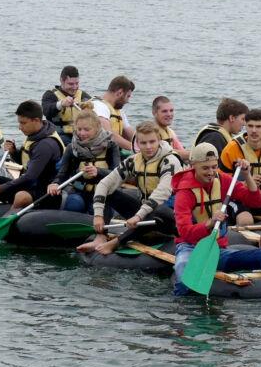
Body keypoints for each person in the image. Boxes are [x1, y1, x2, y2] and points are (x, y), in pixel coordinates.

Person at [170, 143, 261, 296]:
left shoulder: (222, 180)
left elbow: (256, 202)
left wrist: (247, 175)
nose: (211, 172)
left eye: (214, 167)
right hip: (190, 249)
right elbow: (185, 232)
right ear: (193, 165)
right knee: (183, 270)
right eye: (205, 168)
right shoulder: (184, 193)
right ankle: (184, 310)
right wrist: (210, 222)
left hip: (218, 249)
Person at [77, 121, 182, 255]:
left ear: (159, 140)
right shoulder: (134, 160)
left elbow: (162, 193)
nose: (148, 147)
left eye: (152, 142)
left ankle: (117, 242)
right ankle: (101, 237)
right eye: (143, 143)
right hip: (145, 215)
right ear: (137, 143)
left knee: (159, 210)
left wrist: (138, 216)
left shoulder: (171, 161)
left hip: (170, 217)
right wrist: (98, 215)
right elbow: (105, 183)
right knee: (108, 192)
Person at [0, 100, 66, 223]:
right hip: (29, 186)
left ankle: (7, 225)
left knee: (21, 196)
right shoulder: (37, 134)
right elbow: (28, 161)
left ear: (36, 121)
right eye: (19, 122)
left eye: (23, 123)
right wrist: (14, 152)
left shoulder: (46, 144)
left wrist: (0, 188)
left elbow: (30, 176)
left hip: (46, 193)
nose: (20, 127)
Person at [218, 109, 261, 221]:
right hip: (239, 199)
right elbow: (219, 182)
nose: (254, 130)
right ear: (245, 126)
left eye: (258, 126)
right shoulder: (231, 149)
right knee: (245, 220)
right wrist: (244, 183)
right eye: (250, 126)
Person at [47, 109, 120, 214]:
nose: (82, 133)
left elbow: (117, 173)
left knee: (96, 210)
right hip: (79, 191)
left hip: (103, 192)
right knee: (74, 204)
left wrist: (98, 171)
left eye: (86, 129)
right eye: (79, 129)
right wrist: (55, 183)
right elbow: (63, 173)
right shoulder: (71, 148)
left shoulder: (110, 146)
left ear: (97, 128)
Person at [41, 65, 92, 143]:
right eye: (71, 84)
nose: (75, 87)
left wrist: (88, 106)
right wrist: (61, 104)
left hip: (79, 135)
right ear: (62, 81)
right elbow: (46, 111)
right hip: (59, 135)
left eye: (77, 83)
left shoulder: (83, 95)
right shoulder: (50, 95)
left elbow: (94, 110)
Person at [134, 96, 189, 163]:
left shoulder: (170, 132)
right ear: (154, 113)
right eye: (164, 111)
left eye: (171, 111)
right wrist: (194, 154)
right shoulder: (145, 133)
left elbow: (181, 151)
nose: (169, 114)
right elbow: (165, 153)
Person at [91, 75, 136, 151]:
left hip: (114, 153)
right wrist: (136, 149)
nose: (128, 101)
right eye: (128, 96)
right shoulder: (98, 106)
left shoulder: (118, 110)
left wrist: (148, 143)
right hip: (99, 155)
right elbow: (110, 135)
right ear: (119, 93)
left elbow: (129, 132)